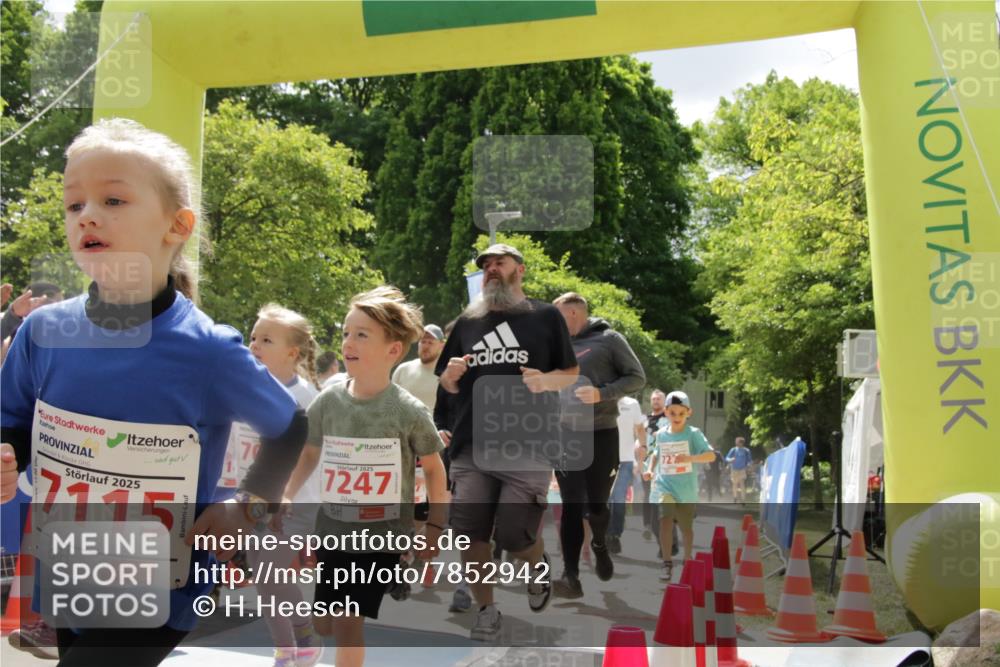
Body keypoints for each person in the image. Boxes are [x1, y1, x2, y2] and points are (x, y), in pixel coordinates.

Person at [0, 118, 307, 665]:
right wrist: (8, 455)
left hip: (161, 586)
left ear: (177, 225)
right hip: (69, 566)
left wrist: (249, 505)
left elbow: (290, 428)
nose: (88, 215)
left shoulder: (209, 349)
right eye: (74, 205)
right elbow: (13, 421)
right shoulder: (42, 332)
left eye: (113, 200)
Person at [283, 286, 448, 667]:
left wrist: (435, 526)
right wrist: (287, 495)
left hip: (380, 536)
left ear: (393, 350)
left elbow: (435, 469)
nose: (348, 342)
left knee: (346, 621)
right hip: (332, 529)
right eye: (345, 332)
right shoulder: (329, 400)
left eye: (361, 334)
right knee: (325, 622)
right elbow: (310, 453)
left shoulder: (407, 410)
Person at [436, 243, 578, 641]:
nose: (491, 269)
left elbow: (570, 371)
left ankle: (535, 564)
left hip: (528, 442)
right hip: (471, 443)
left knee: (515, 535)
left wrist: (544, 380)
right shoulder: (467, 321)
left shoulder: (545, 315)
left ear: (521, 270)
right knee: (471, 534)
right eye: (486, 266)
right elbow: (447, 382)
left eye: (500, 262)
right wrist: (448, 377)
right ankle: (486, 609)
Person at [242, 304, 324, 667]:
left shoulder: (305, 396)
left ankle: (296, 643)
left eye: (266, 339)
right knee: (264, 579)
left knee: (268, 572)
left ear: (292, 352)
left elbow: (311, 454)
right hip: (256, 499)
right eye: (253, 337)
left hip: (296, 502)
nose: (255, 344)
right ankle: (293, 647)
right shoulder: (245, 389)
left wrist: (287, 494)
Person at [551, 292, 645, 598]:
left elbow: (636, 377)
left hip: (602, 433)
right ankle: (571, 575)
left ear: (574, 314)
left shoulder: (609, 339)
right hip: (567, 436)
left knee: (596, 506)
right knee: (570, 507)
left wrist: (602, 394)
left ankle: (600, 543)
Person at [640, 391, 716, 582]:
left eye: (681, 413)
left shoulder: (693, 434)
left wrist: (690, 458)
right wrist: (650, 469)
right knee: (665, 520)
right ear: (665, 412)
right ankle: (667, 563)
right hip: (665, 485)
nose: (676, 417)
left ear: (688, 412)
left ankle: (687, 560)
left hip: (686, 489)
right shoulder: (661, 435)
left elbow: (711, 455)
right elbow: (656, 453)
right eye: (672, 413)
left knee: (685, 527)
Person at [607, 394, 646, 555]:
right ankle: (604, 534)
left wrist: (643, 448)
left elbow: (640, 429)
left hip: (625, 461)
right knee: (605, 499)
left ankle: (614, 535)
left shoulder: (632, 404)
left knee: (618, 498)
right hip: (603, 459)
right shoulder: (601, 399)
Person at [726, 436, 752, 504]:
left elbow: (749, 460)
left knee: (742, 483)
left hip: (742, 469)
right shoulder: (733, 449)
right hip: (734, 469)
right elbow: (727, 458)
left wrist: (749, 465)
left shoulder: (746, 450)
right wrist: (730, 459)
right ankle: (735, 497)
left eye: (737, 442)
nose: (736, 443)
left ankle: (743, 500)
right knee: (735, 484)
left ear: (741, 443)